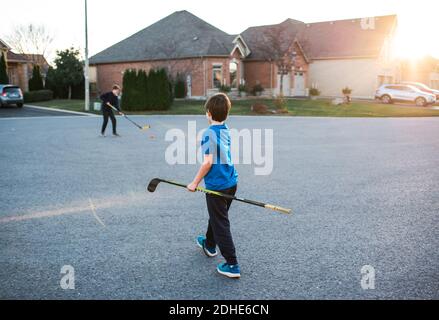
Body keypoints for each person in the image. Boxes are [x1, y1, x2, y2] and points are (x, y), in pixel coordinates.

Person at [187, 93, 240, 279]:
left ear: (208, 113)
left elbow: (208, 162)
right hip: (231, 182)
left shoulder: (209, 133)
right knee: (217, 216)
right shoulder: (225, 129)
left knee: (220, 222)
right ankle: (209, 244)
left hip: (217, 185)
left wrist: (194, 182)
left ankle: (232, 264)